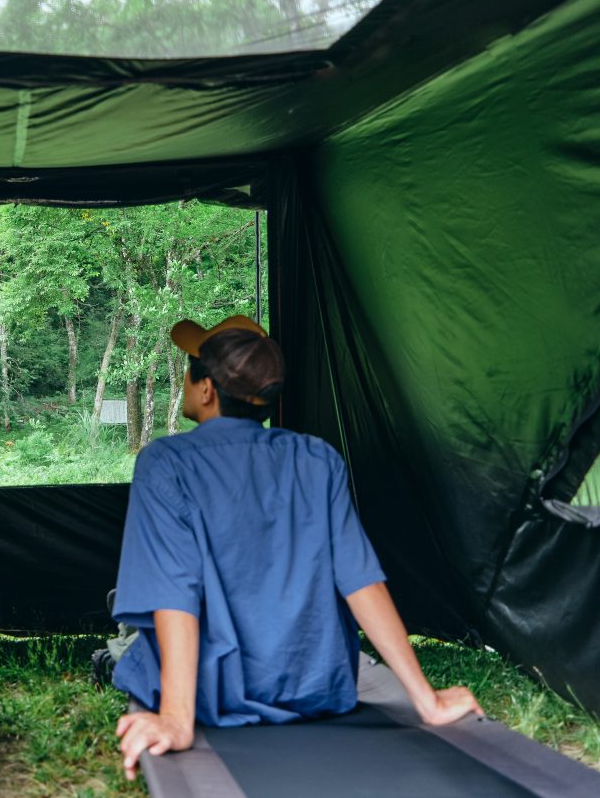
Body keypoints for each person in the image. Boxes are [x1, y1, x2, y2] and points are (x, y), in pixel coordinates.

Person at [111, 314, 483, 781]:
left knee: (136, 651)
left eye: (190, 367)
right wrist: (425, 700)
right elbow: (359, 578)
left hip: (216, 695)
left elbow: (174, 591)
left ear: (206, 389)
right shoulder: (317, 457)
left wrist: (176, 719)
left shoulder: (164, 463)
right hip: (315, 689)